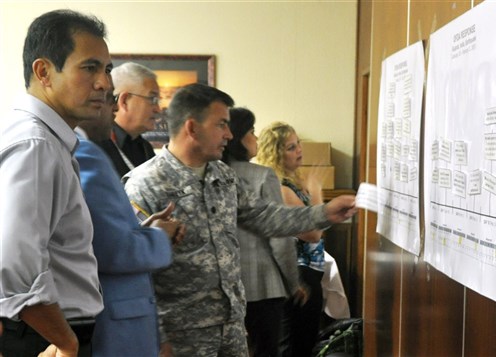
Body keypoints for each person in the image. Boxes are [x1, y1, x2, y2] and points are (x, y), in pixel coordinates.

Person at [123, 83, 357, 357]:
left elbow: (265, 217)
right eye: (221, 125)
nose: (229, 134)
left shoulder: (222, 175)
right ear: (192, 128)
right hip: (180, 336)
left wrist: (323, 213)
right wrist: (156, 337)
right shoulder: (145, 185)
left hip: (231, 329)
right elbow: (134, 270)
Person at [0, 9, 112, 357]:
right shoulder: (37, 145)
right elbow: (13, 265)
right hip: (45, 336)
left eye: (106, 70)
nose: (104, 83)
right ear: (44, 71)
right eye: (90, 67)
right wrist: (65, 343)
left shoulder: (38, 138)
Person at [74, 90, 185, 357]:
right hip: (113, 322)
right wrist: (159, 236)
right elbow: (112, 249)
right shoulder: (84, 151)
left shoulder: (141, 147)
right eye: (108, 99)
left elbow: (96, 230)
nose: (113, 110)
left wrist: (141, 230)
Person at [222, 107, 306, 357]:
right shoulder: (262, 175)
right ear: (237, 138)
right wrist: (293, 282)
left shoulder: (212, 171)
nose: (256, 139)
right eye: (251, 132)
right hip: (262, 285)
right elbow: (278, 238)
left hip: (225, 286)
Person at [256, 121, 327, 357]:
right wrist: (317, 191)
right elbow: (313, 232)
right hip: (298, 272)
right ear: (275, 154)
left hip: (309, 271)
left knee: (306, 340)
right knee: (296, 344)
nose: (299, 151)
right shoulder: (281, 188)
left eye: (298, 144)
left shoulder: (293, 183)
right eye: (291, 147)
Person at [98, 62, 160, 177]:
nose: (158, 109)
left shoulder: (145, 148)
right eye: (152, 99)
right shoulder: (98, 146)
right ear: (124, 101)